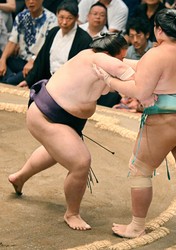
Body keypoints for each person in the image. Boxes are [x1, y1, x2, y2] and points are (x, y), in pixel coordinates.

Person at [94, 7, 176, 240]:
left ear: (159, 30)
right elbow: (159, 70)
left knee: (139, 170)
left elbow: (141, 92)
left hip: (166, 121)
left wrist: (109, 79)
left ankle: (136, 226)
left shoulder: (156, 56)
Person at [8, 32, 134, 231]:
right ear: (109, 53)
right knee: (80, 162)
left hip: (65, 120)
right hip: (46, 116)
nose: (123, 61)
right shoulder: (96, 58)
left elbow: (131, 65)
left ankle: (19, 177)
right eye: (120, 57)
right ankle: (72, 213)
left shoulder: (102, 58)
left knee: (55, 150)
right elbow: (128, 72)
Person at [18, 0, 92, 88]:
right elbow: (41, 59)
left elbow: (82, 70)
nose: (64, 22)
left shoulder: (84, 39)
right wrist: (28, 81)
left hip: (69, 85)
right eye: (61, 17)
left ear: (76, 18)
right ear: (57, 15)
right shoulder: (53, 32)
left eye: (69, 18)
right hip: (48, 79)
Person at [0, 0, 57, 85]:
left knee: (8, 82)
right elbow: (12, 42)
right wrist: (2, 60)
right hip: (21, 60)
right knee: (2, 59)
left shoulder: (52, 20)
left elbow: (47, 48)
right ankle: (11, 77)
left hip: (37, 63)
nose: (31, 2)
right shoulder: (21, 16)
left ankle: (9, 79)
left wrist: (33, 60)